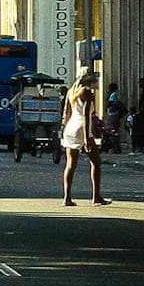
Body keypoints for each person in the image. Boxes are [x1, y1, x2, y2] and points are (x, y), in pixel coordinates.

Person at [60, 74, 108, 206]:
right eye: (95, 79)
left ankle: (67, 198)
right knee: (96, 162)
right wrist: (87, 139)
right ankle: (96, 196)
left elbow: (66, 112)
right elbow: (87, 117)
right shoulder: (87, 93)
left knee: (70, 165)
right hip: (82, 128)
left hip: (70, 128)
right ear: (89, 80)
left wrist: (63, 129)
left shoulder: (71, 91)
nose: (97, 81)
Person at [104, 85, 126, 154]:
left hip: (113, 115)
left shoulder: (113, 95)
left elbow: (109, 103)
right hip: (113, 115)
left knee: (112, 132)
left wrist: (106, 106)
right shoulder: (112, 95)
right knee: (113, 131)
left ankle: (115, 148)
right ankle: (115, 148)